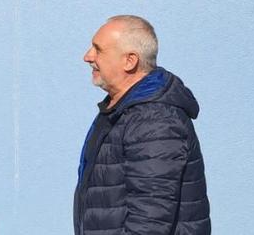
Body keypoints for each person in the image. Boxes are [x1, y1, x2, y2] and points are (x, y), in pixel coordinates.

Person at [74, 15, 210, 234]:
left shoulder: (155, 120)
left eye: (98, 49)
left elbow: (150, 220)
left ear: (130, 60)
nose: (87, 56)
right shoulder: (124, 110)